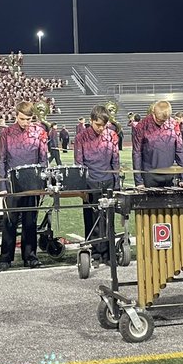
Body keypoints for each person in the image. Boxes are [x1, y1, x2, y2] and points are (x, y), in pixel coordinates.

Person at [0, 101, 49, 270]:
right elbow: (1, 159)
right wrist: (2, 185)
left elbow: (43, 160)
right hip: (12, 183)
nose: (25, 122)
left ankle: (30, 257)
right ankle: (5, 258)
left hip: (33, 182)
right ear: (16, 114)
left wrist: (43, 182)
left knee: (30, 221)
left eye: (28, 119)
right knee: (9, 222)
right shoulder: (6, 132)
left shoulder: (39, 132)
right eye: (22, 118)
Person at [74, 104, 121, 260]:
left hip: (107, 182)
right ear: (91, 121)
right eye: (98, 125)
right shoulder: (81, 137)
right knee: (91, 219)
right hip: (90, 182)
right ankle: (94, 251)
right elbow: (79, 163)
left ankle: (109, 252)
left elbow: (115, 161)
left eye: (104, 125)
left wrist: (117, 184)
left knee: (108, 218)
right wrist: (82, 187)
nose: (101, 128)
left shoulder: (112, 135)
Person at [132, 101, 183, 188]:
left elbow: (179, 151)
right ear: (153, 112)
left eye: (164, 120)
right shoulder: (141, 126)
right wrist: (138, 181)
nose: (161, 122)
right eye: (158, 119)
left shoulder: (174, 124)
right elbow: (137, 153)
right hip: (149, 175)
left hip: (169, 174)